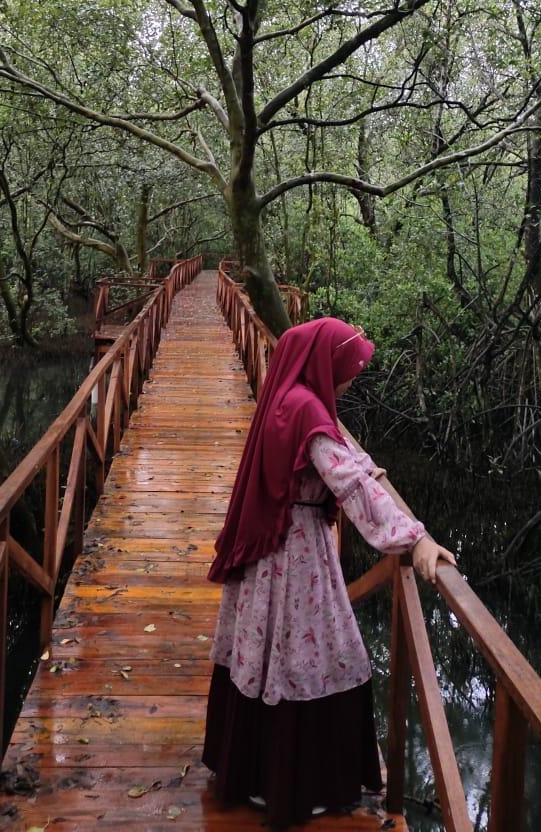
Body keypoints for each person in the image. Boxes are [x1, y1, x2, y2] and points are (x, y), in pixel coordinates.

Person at [202, 316, 456, 827]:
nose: (347, 382)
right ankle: (300, 786)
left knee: (266, 659)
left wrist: (362, 465)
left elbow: (336, 460)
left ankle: (253, 776)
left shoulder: (288, 399)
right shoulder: (307, 411)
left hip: (269, 557)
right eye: (346, 371)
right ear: (324, 363)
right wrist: (417, 539)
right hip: (296, 558)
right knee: (318, 659)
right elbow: (353, 490)